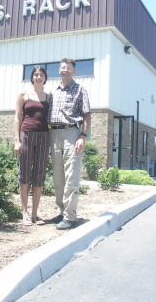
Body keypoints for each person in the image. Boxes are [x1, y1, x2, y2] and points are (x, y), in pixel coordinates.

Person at [47, 58, 91, 230]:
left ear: (73, 71)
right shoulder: (53, 91)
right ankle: (62, 212)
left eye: (68, 68)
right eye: (62, 67)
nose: (65, 70)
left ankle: (70, 217)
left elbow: (87, 115)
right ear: (59, 70)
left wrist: (82, 136)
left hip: (71, 133)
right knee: (58, 177)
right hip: (53, 133)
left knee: (71, 175)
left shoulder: (80, 90)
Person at [14, 66, 50, 226]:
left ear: (45, 78)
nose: (38, 77)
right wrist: (17, 140)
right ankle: (25, 213)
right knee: (25, 176)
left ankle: (35, 214)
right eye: (36, 74)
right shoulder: (24, 94)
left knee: (39, 176)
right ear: (32, 77)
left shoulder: (49, 97)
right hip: (26, 136)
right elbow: (17, 118)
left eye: (41, 74)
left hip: (44, 138)